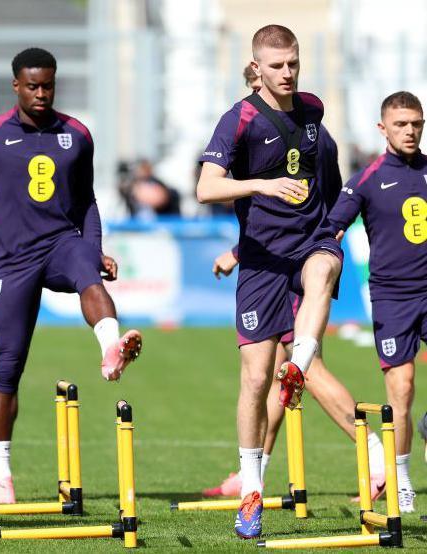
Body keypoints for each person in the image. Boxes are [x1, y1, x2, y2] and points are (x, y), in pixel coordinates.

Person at [0, 47, 141, 504]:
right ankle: (1, 477)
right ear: (16, 86)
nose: (41, 93)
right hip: (14, 260)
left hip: (61, 243)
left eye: (47, 85)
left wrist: (93, 249)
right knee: (6, 370)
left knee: (89, 272)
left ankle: (111, 348)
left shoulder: (76, 134)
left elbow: (87, 200)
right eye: (32, 86)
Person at [204, 63, 387, 502]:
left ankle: (375, 456)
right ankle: (255, 472)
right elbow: (273, 206)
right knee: (276, 375)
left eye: (291, 67)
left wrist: (323, 239)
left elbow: (319, 195)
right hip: (268, 257)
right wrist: (238, 252)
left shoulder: (313, 130)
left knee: (304, 370)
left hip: (299, 258)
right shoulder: (251, 123)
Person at [196, 25, 342, 539]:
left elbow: (327, 178)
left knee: (326, 267)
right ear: (256, 67)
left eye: (294, 63)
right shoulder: (238, 119)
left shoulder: (313, 111)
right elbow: (204, 188)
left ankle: (299, 366)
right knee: (256, 380)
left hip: (310, 242)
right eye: (277, 65)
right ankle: (252, 489)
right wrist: (261, 185)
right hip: (261, 260)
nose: (288, 73)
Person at [325, 91, 427, 513]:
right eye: (401, 124)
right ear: (382, 128)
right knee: (401, 389)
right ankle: (400, 477)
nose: (409, 131)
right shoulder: (365, 179)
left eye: (416, 124)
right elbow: (332, 228)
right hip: (392, 297)